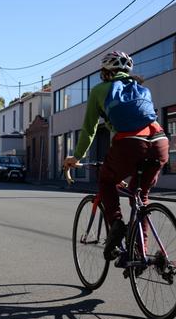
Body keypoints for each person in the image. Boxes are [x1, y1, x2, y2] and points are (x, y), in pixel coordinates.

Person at [63, 51, 169, 261]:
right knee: (140, 197)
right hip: (160, 142)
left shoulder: (99, 90)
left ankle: (117, 225)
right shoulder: (142, 90)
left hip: (130, 145)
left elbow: (89, 130)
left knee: (105, 178)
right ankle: (141, 253)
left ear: (105, 72)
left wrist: (75, 157)